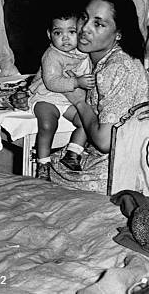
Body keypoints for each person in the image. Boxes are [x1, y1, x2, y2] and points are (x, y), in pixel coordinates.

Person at [50, 0, 149, 193]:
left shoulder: (118, 67)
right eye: (85, 18)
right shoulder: (91, 57)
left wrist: (79, 102)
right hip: (102, 156)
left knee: (47, 176)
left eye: (98, 24)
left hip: (121, 171)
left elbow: (106, 142)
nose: (84, 29)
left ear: (119, 33)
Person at [28, 10, 95, 180]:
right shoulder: (51, 55)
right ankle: (43, 164)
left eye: (71, 32)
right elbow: (52, 82)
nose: (65, 38)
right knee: (48, 124)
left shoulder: (83, 54)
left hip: (68, 100)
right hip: (46, 96)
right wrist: (76, 82)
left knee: (87, 122)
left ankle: (73, 153)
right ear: (50, 35)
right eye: (58, 33)